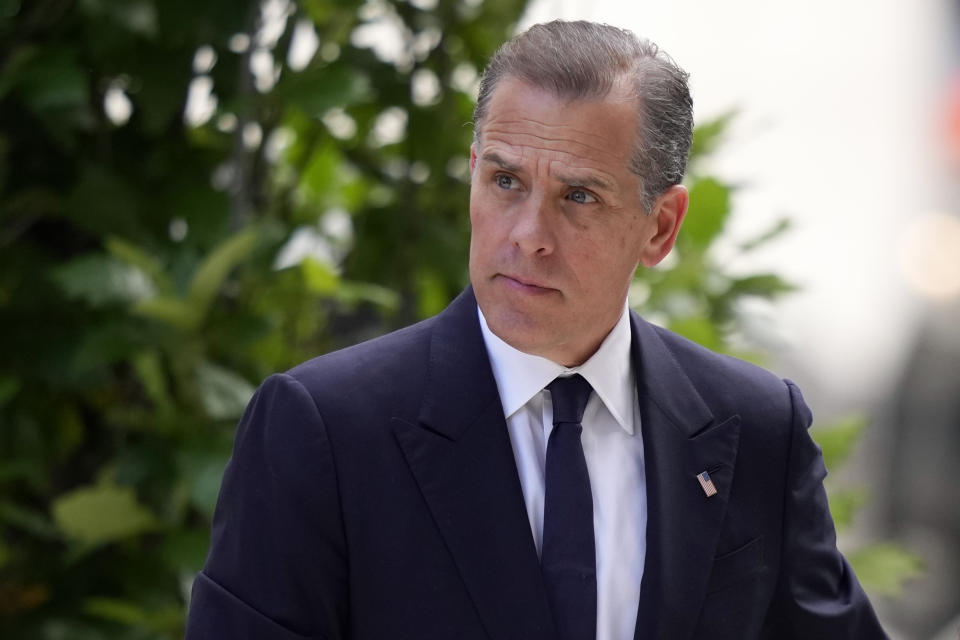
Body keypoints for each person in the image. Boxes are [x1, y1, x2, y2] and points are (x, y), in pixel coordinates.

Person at [185, 20, 887, 640]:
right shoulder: (324, 431)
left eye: (578, 196)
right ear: (472, 177)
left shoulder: (757, 429)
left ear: (662, 226)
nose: (528, 236)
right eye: (506, 182)